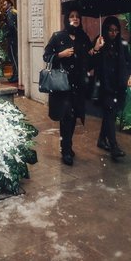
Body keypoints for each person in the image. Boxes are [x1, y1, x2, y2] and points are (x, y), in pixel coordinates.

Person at [43, 9, 92, 166]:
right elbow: (46, 56)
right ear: (67, 19)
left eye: (77, 17)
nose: (75, 19)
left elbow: (90, 60)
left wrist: (95, 49)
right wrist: (60, 55)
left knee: (73, 116)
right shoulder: (58, 36)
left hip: (78, 85)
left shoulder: (83, 38)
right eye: (72, 16)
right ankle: (66, 150)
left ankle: (67, 146)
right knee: (66, 117)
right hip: (62, 85)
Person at [92, 16, 131, 160]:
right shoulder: (100, 41)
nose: (113, 33)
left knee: (111, 114)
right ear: (105, 30)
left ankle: (101, 140)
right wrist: (97, 49)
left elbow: (129, 62)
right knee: (110, 112)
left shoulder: (121, 43)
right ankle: (114, 146)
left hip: (119, 84)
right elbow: (93, 63)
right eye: (110, 30)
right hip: (105, 85)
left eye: (116, 31)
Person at [3, 0, 19, 82]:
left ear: (9, 4)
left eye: (5, 4)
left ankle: (16, 75)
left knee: (13, 57)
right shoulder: (13, 11)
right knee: (14, 57)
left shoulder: (11, 13)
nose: (3, 6)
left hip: (12, 38)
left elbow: (11, 26)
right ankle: (15, 74)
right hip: (14, 38)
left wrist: (6, 34)